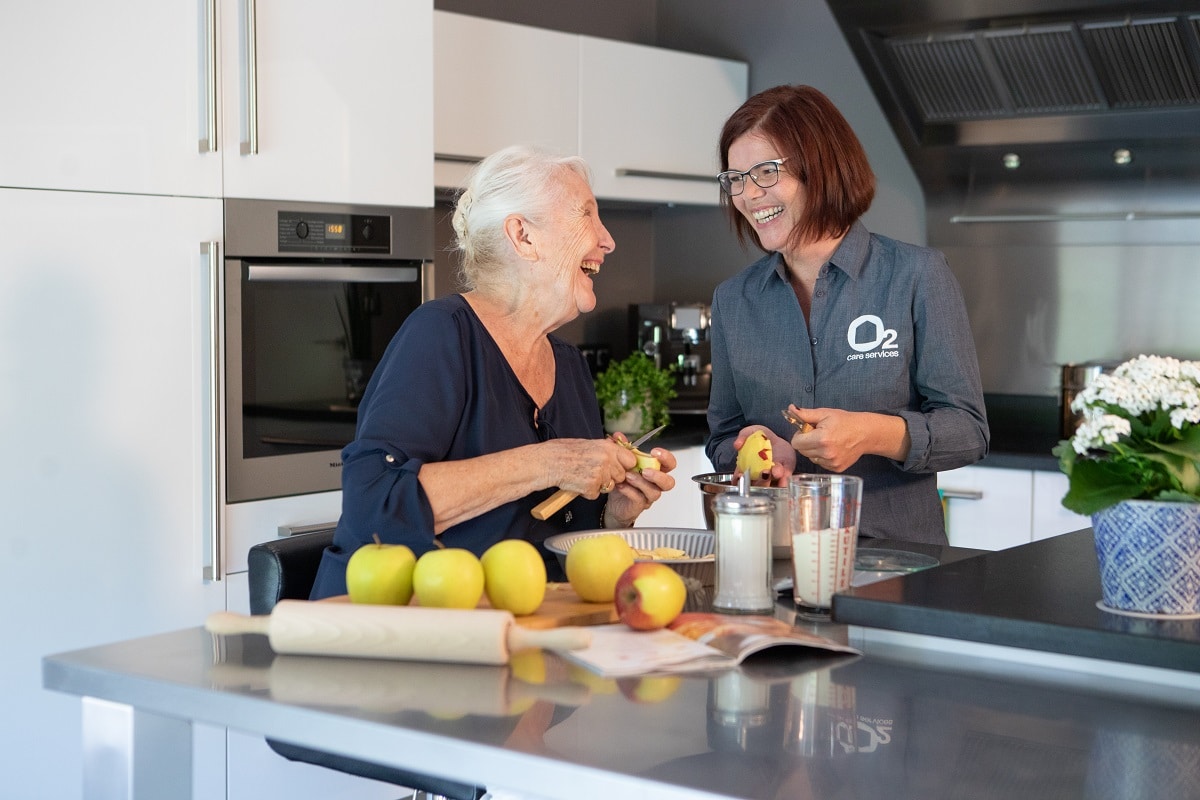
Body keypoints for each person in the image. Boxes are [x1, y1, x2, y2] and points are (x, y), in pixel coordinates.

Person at [311, 145, 677, 598]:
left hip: (514, 629)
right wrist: (552, 461)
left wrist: (613, 515)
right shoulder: (441, 334)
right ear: (523, 236)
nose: (608, 239)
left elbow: (554, 532)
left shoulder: (571, 366)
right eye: (586, 215)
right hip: (396, 632)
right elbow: (373, 503)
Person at [704, 85, 989, 544]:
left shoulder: (917, 276)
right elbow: (722, 436)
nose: (748, 195)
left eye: (765, 172)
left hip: (898, 568)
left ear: (821, 167)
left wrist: (873, 434)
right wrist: (754, 452)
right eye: (735, 178)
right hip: (776, 560)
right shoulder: (733, 300)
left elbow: (969, 431)